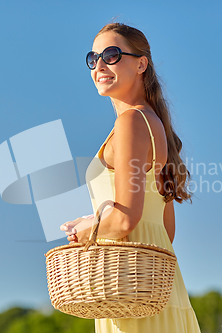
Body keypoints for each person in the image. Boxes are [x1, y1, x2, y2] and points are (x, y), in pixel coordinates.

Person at [60, 22, 201, 333]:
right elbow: (165, 230)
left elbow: (126, 221)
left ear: (141, 64)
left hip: (129, 292)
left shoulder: (131, 123)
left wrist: (84, 229)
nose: (99, 65)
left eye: (111, 55)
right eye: (92, 58)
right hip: (156, 289)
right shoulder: (152, 125)